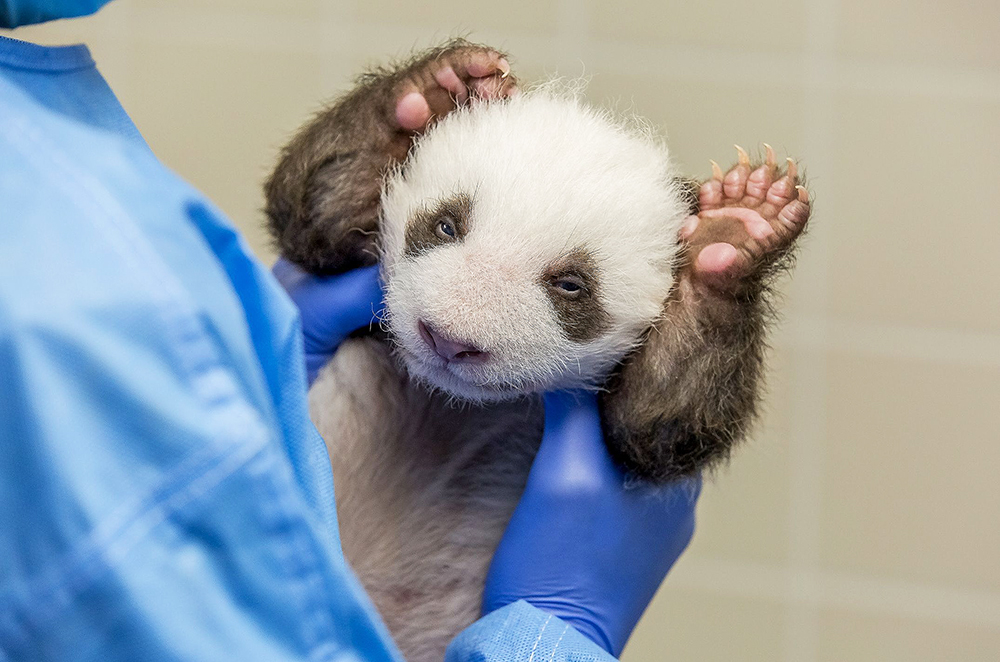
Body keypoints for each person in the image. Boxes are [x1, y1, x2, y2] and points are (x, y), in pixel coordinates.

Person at [0, 1, 700, 660]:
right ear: (394, 188)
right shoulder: (54, 303)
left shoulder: (41, 141)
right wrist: (551, 638)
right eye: (446, 226)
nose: (459, 327)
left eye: (569, 285)